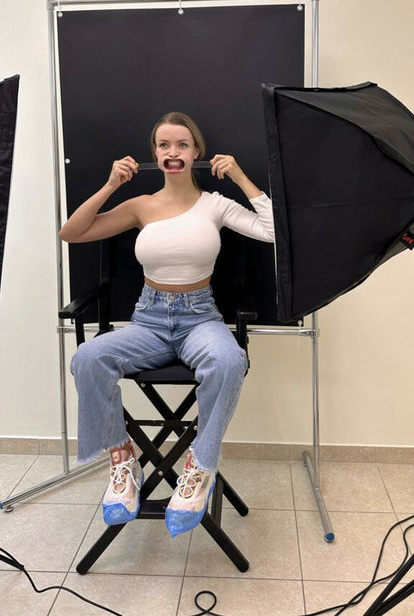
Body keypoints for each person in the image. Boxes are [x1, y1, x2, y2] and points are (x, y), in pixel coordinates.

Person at [59, 111, 274, 538]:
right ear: (154, 154)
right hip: (149, 320)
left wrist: (240, 178)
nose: (172, 152)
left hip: (200, 319)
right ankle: (123, 458)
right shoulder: (141, 205)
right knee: (87, 359)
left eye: (182, 144)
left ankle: (200, 465)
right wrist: (110, 185)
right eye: (164, 145)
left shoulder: (216, 204)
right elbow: (72, 232)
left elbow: (272, 232)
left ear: (196, 152)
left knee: (230, 360)